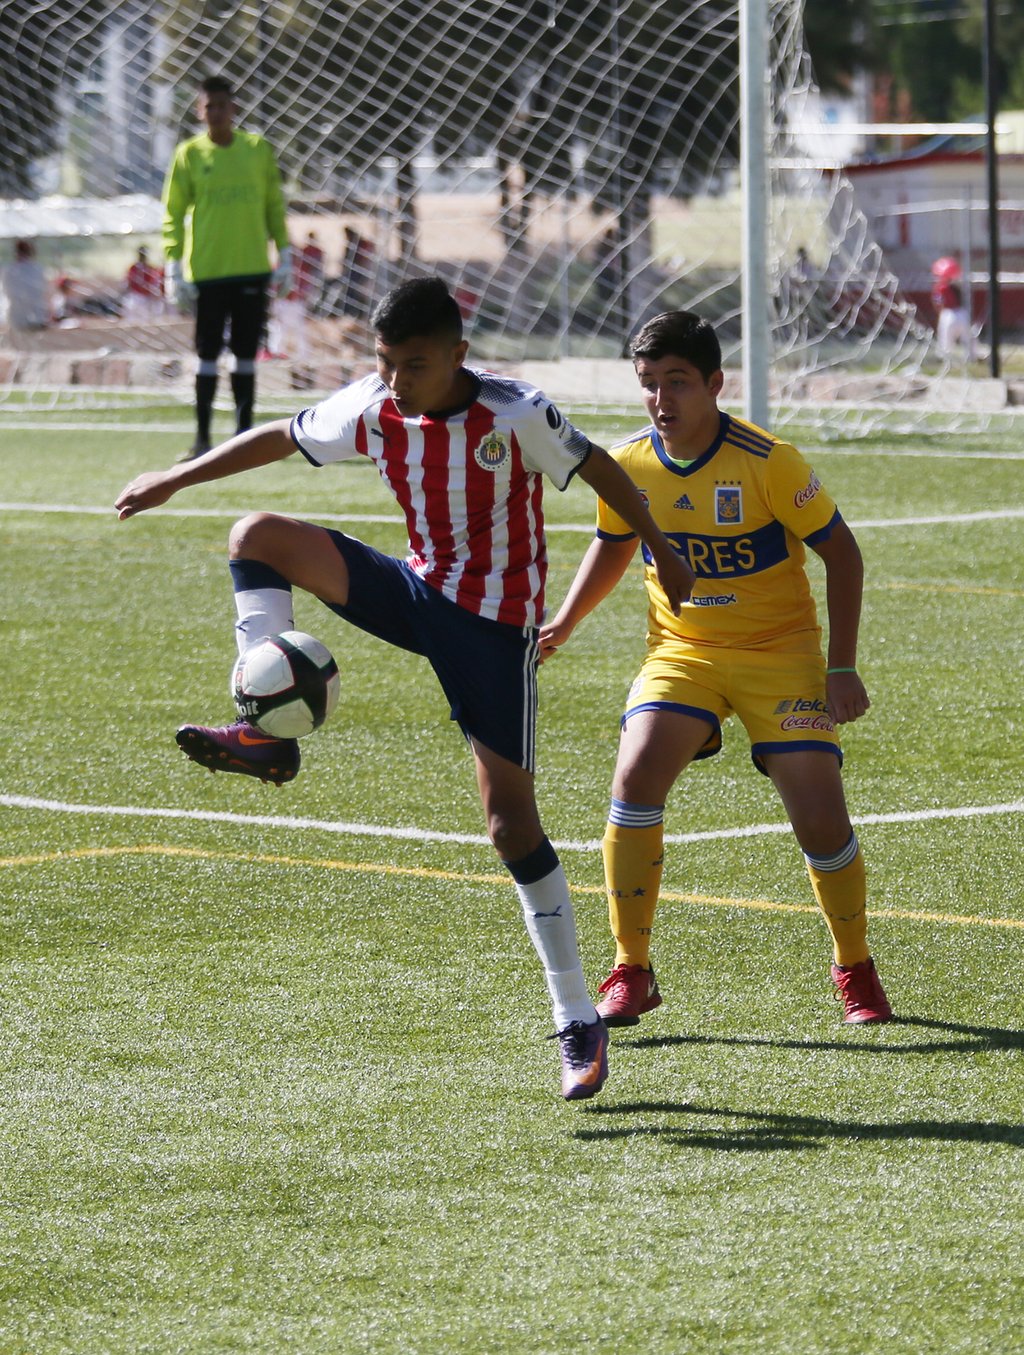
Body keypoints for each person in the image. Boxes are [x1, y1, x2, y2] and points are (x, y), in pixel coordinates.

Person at [114, 276, 696, 1101]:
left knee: (509, 824)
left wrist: (663, 550)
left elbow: (600, 466)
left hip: (494, 631)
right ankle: (267, 733)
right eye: (386, 364)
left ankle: (577, 1015)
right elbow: (280, 437)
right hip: (418, 592)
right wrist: (177, 476)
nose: (397, 382)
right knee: (257, 536)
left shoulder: (514, 412)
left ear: (459, 355)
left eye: (414, 365)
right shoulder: (375, 406)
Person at [539, 309, 892, 1029]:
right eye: (648, 384)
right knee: (634, 779)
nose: (662, 401)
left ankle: (853, 963)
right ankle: (631, 970)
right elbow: (613, 545)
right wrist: (564, 623)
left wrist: (841, 666)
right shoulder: (629, 463)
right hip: (683, 653)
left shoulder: (769, 461)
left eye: (677, 382)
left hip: (781, 656)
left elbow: (843, 553)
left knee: (821, 819)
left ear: (715, 384)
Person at [162, 74, 290, 460]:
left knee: (246, 354)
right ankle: (202, 438)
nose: (216, 113)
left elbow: (273, 206)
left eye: (222, 105)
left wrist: (285, 254)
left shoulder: (257, 150)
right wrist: (173, 263)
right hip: (207, 273)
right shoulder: (188, 154)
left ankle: (243, 437)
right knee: (205, 355)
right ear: (200, 112)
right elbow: (172, 213)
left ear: (234, 109)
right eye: (208, 107)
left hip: (252, 269)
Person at [1, 239, 49, 334]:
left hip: (16, 316)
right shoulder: (38, 269)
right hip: (36, 315)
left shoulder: (8, 269)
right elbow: (43, 291)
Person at [124, 246, 165, 321]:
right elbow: (128, 282)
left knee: (146, 319)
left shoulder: (149, 268)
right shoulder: (134, 267)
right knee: (132, 319)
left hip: (147, 297)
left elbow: (154, 282)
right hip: (135, 295)